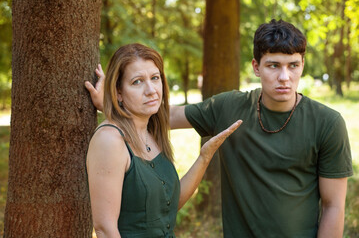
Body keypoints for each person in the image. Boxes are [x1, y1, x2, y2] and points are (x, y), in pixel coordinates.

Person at [86, 20, 353, 237]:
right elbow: (163, 114)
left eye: (293, 66)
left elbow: (334, 206)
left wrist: (117, 101)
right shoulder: (230, 108)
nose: (284, 77)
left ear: (302, 65)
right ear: (256, 67)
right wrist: (111, 103)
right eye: (274, 65)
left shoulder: (328, 123)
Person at [85, 43, 242, 238]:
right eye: (137, 82)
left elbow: (169, 207)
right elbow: (105, 229)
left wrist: (204, 157)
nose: (151, 90)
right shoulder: (109, 141)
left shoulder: (151, 131)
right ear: (118, 91)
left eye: (155, 78)